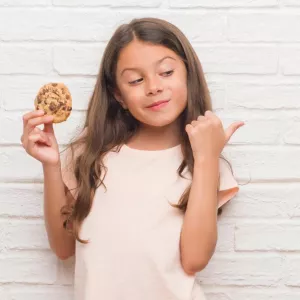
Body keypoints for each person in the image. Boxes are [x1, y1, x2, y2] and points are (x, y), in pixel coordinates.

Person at [21, 17, 244, 300]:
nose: (153, 87)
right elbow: (64, 249)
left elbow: (195, 259)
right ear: (119, 95)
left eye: (166, 72)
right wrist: (51, 165)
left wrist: (207, 159)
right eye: (136, 80)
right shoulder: (88, 155)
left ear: (188, 74)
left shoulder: (205, 161)